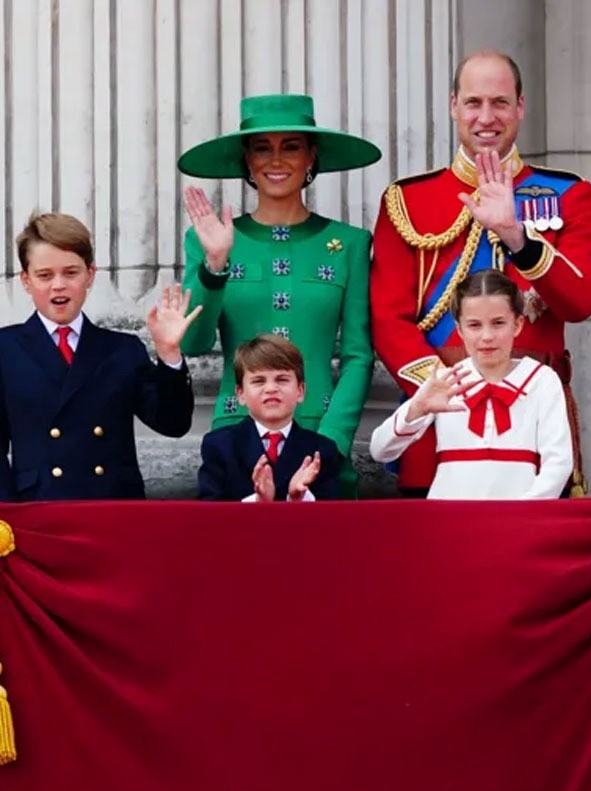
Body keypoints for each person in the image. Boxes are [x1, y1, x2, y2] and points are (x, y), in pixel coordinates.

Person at [371, 49, 591, 498]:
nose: (486, 117)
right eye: (474, 102)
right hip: (441, 424)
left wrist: (519, 238)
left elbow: (582, 300)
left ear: (521, 106)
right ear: (453, 105)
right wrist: (444, 395)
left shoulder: (569, 194)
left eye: (499, 102)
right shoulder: (409, 201)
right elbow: (387, 320)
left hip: (535, 421)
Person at [178, 93, 379, 497]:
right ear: (246, 160)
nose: (276, 160)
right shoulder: (210, 240)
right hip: (236, 439)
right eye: (262, 148)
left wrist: (332, 442)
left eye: (291, 147)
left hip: (321, 437)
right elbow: (193, 343)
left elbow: (359, 355)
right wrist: (215, 263)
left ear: (311, 157)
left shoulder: (350, 243)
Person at [0, 212, 199, 500]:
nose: (58, 285)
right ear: (26, 281)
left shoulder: (123, 349)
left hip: (112, 507)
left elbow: (173, 424)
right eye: (45, 275)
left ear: (89, 275)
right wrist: (6, 518)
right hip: (38, 509)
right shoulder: (6, 349)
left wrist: (168, 354)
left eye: (71, 273)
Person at [369, 270, 572, 499]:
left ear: (517, 324)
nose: (487, 336)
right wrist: (417, 408)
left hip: (518, 521)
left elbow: (559, 463)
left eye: (498, 323)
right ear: (460, 329)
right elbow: (380, 450)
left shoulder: (542, 380)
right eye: (475, 325)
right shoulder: (446, 381)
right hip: (449, 521)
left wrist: (523, 514)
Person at [198, 335, 342, 501]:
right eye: (259, 381)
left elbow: (330, 518)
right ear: (241, 394)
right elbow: (209, 515)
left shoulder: (322, 450)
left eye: (282, 380)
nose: (271, 388)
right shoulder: (219, 446)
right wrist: (259, 501)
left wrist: (297, 497)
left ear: (300, 391)